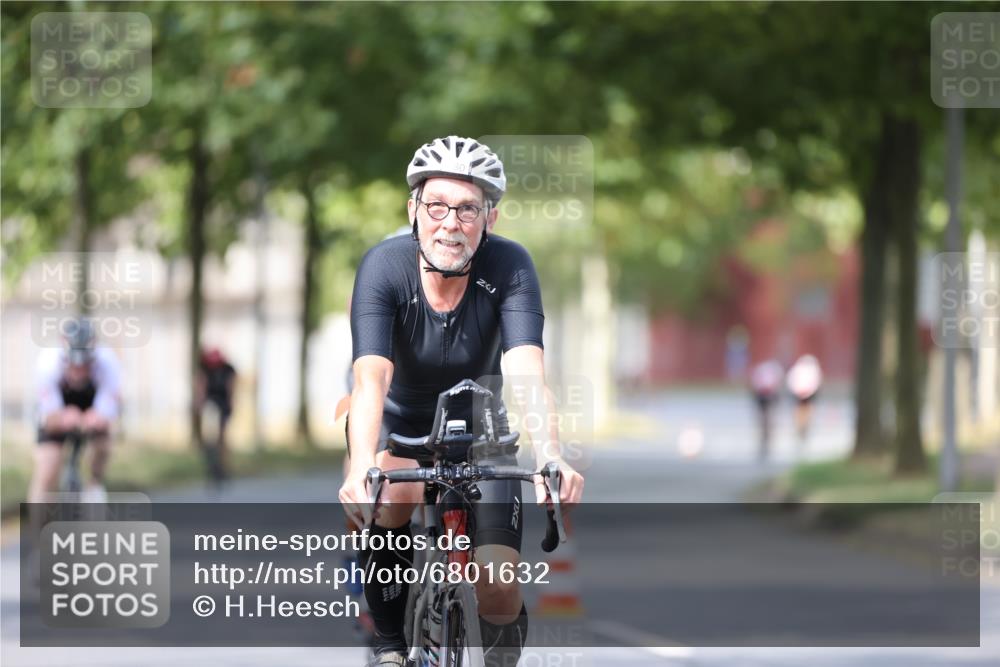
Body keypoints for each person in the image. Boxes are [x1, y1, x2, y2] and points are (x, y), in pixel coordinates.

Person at [338, 136, 584, 667]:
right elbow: (371, 379)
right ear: (414, 211)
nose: (451, 222)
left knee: (497, 580)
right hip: (399, 426)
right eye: (437, 206)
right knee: (390, 499)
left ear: (489, 218)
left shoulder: (511, 266)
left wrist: (550, 455)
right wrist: (361, 467)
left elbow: (525, 372)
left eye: (468, 209)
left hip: (481, 429)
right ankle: (389, 649)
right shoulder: (384, 267)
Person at [30, 317, 121, 504]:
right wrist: (63, 417)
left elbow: (109, 409)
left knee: (104, 443)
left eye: (85, 364)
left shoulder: (108, 362)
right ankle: (37, 526)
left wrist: (97, 417)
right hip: (59, 408)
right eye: (74, 363)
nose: (79, 369)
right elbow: (48, 416)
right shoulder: (47, 363)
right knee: (48, 465)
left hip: (91, 403)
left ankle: (94, 483)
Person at [194, 346, 237, 480]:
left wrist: (231, 403)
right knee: (209, 436)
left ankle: (224, 467)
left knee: (223, 437)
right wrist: (199, 402)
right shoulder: (204, 367)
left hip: (223, 403)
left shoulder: (229, 369)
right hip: (210, 403)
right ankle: (211, 465)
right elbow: (201, 384)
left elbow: (231, 387)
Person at [786, 353, 823, 450]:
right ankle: (801, 430)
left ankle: (803, 430)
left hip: (806, 395)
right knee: (801, 413)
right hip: (800, 395)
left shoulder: (808, 370)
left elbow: (814, 383)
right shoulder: (799, 370)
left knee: (805, 413)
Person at [749, 358, 783, 462]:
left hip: (764, 396)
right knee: (767, 416)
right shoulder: (772, 371)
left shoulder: (762, 371)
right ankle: (766, 433)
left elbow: (754, 384)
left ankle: (766, 433)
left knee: (765, 416)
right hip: (765, 396)